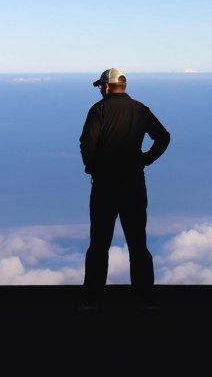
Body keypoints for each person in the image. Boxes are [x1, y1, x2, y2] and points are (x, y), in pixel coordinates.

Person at [79, 67, 171, 302]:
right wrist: (145, 160)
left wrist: (92, 167)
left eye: (100, 87)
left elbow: (86, 144)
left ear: (107, 87)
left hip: (104, 186)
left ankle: (92, 300)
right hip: (134, 185)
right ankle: (145, 300)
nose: (100, 91)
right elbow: (163, 137)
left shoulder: (98, 110)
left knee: (99, 244)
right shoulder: (140, 109)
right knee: (138, 243)